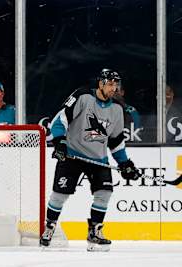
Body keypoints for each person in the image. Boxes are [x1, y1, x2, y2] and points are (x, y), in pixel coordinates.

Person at [40, 69, 141, 252]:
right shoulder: (83, 96)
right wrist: (60, 143)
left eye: (115, 85)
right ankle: (50, 226)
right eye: (110, 84)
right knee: (60, 194)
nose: (113, 88)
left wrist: (125, 163)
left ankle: (94, 231)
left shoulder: (117, 108)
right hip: (73, 153)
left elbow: (116, 140)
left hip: (98, 158)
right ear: (101, 83)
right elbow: (60, 121)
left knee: (104, 193)